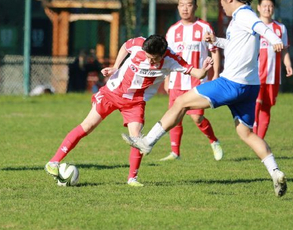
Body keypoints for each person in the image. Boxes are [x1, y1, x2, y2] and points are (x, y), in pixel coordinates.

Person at [122, 0, 288, 197]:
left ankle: (147, 142)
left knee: (181, 102)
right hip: (250, 86)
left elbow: (261, 27)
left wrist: (274, 38)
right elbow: (238, 44)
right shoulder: (240, 18)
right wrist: (216, 41)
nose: (221, 4)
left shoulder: (244, 15)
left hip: (231, 83)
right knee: (245, 132)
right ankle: (275, 171)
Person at [45, 34, 213, 187]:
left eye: (154, 59)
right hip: (112, 92)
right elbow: (126, 46)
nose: (150, 61)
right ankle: (53, 162)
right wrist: (115, 67)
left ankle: (132, 178)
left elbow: (197, 73)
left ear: (163, 54)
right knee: (87, 126)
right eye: (147, 57)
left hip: (135, 102)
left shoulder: (172, 59)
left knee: (137, 139)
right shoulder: (139, 43)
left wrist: (205, 69)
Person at [161, 0, 224, 162]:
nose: (185, 8)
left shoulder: (204, 27)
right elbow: (167, 58)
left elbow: (214, 51)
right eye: (182, 5)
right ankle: (175, 153)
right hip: (176, 81)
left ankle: (214, 141)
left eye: (189, 5)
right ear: (178, 7)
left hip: (197, 81)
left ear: (195, 6)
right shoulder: (172, 31)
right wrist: (167, 79)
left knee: (197, 117)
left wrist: (216, 74)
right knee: (174, 117)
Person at [253, 0, 293, 138]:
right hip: (255, 75)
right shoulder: (253, 27)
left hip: (272, 76)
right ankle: (253, 138)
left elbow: (284, 50)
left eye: (270, 6)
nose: (267, 9)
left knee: (266, 108)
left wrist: (288, 64)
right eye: (264, 6)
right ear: (258, 7)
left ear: (274, 8)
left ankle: (259, 141)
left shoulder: (280, 28)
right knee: (255, 105)